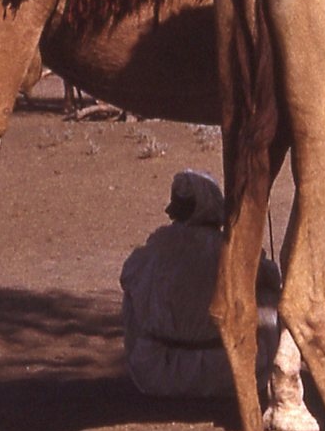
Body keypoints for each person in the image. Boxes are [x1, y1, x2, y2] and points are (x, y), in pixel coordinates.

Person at [119, 170, 278, 398]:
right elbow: (272, 278)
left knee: (136, 291)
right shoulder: (230, 248)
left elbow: (128, 276)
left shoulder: (158, 245)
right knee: (267, 294)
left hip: (158, 373)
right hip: (227, 372)